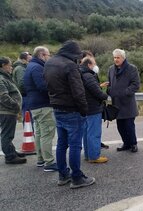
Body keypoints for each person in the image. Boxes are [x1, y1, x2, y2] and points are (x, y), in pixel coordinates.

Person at [44, 40, 95, 189]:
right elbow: (78, 92)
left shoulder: (49, 62)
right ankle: (77, 178)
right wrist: (84, 110)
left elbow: (46, 83)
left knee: (61, 143)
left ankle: (63, 175)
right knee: (74, 145)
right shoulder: (70, 66)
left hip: (56, 107)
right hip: (72, 110)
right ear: (73, 54)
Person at [24, 46, 58, 172]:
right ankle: (49, 162)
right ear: (42, 55)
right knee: (47, 134)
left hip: (34, 105)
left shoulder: (30, 66)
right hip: (43, 105)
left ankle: (41, 159)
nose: (49, 58)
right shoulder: (38, 67)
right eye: (48, 55)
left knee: (39, 132)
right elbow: (43, 86)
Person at [107, 49, 140, 153]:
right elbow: (110, 84)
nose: (116, 60)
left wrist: (124, 92)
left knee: (129, 125)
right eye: (114, 58)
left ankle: (133, 144)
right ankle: (126, 143)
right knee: (120, 126)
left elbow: (136, 85)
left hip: (128, 103)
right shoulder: (111, 69)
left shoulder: (132, 69)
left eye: (118, 57)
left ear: (123, 58)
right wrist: (109, 91)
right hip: (116, 103)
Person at [80, 56, 109, 163]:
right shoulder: (88, 76)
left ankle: (88, 155)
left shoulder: (80, 73)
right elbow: (96, 92)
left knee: (87, 133)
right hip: (93, 108)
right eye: (94, 63)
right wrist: (105, 96)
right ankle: (94, 156)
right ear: (89, 65)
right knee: (94, 133)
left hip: (85, 108)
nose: (95, 66)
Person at [0, 56, 27, 164]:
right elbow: (3, 97)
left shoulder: (5, 77)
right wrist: (15, 105)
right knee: (7, 134)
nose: (11, 67)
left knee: (9, 134)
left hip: (9, 111)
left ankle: (12, 151)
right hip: (6, 111)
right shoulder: (1, 78)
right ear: (3, 65)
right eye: (10, 65)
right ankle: (10, 157)